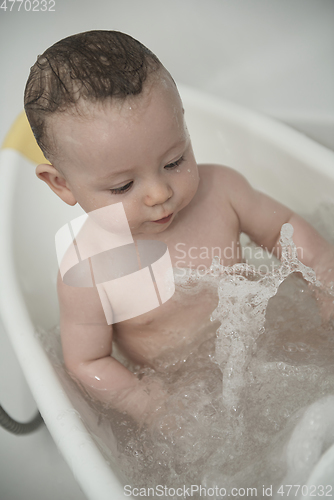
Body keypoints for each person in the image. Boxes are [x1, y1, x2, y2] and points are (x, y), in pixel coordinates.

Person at [24, 30, 334, 423]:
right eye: (123, 186)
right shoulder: (85, 269)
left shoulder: (222, 190)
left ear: (184, 126)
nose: (159, 193)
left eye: (174, 160)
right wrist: (147, 404)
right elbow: (87, 361)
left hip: (270, 342)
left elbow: (283, 229)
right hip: (184, 391)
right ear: (62, 185)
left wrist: (325, 278)